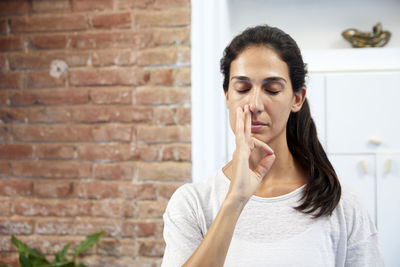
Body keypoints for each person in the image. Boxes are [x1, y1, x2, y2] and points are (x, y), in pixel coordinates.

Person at [161, 25, 383, 267]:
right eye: (242, 89)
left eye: (272, 89)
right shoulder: (193, 203)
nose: (255, 104)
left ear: (297, 99)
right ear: (227, 95)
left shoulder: (340, 203)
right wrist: (235, 199)